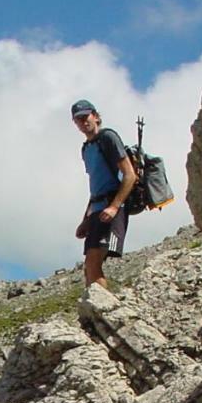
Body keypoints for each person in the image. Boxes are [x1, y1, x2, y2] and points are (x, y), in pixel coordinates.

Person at [72, 99, 137, 289]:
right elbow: (95, 186)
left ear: (96, 116)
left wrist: (114, 207)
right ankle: (95, 310)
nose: (83, 122)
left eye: (86, 116)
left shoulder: (108, 138)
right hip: (97, 210)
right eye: (78, 119)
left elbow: (129, 175)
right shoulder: (86, 149)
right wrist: (85, 219)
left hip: (113, 208)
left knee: (93, 263)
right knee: (89, 267)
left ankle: (104, 311)